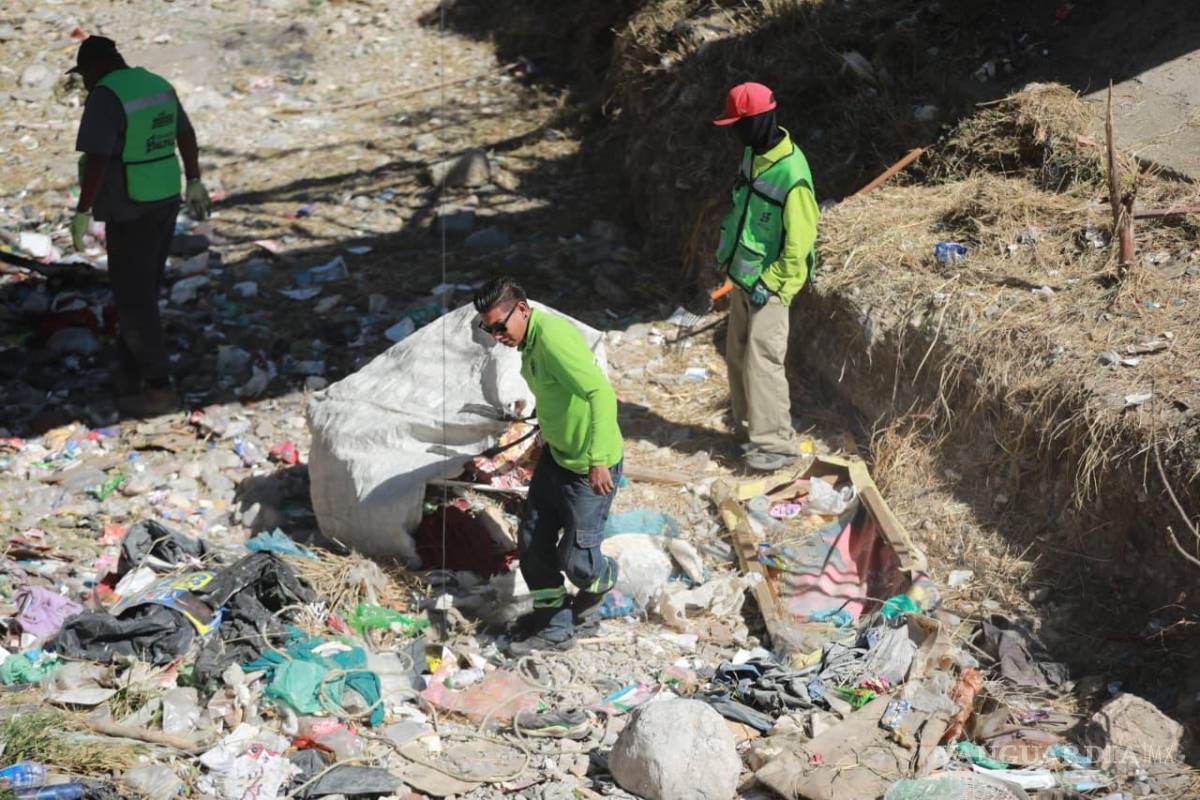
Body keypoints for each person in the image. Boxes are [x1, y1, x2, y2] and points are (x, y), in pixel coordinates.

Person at [473, 278, 624, 655]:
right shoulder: (529, 340)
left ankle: (603, 580)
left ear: (522, 309)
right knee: (532, 542)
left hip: (588, 468)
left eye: (500, 327)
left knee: (578, 562)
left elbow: (600, 393)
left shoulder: (553, 339)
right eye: (489, 330)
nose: (497, 337)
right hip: (557, 458)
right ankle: (554, 623)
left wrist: (598, 460)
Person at [67, 36, 212, 416]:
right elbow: (185, 132)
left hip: (129, 207)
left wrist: (83, 209)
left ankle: (159, 388)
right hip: (165, 198)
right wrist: (194, 179)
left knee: (134, 300)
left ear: (97, 67)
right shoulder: (155, 83)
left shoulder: (106, 95)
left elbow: (98, 158)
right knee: (143, 288)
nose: (85, 82)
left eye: (85, 74)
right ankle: (129, 372)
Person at [712, 82, 819, 472]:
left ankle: (776, 445)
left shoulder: (792, 172)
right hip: (744, 277)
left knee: (763, 361)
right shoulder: (751, 154)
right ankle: (748, 432)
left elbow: (801, 241)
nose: (734, 133)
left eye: (738, 125)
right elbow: (743, 210)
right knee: (738, 356)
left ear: (760, 120)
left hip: (770, 286)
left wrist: (771, 282)